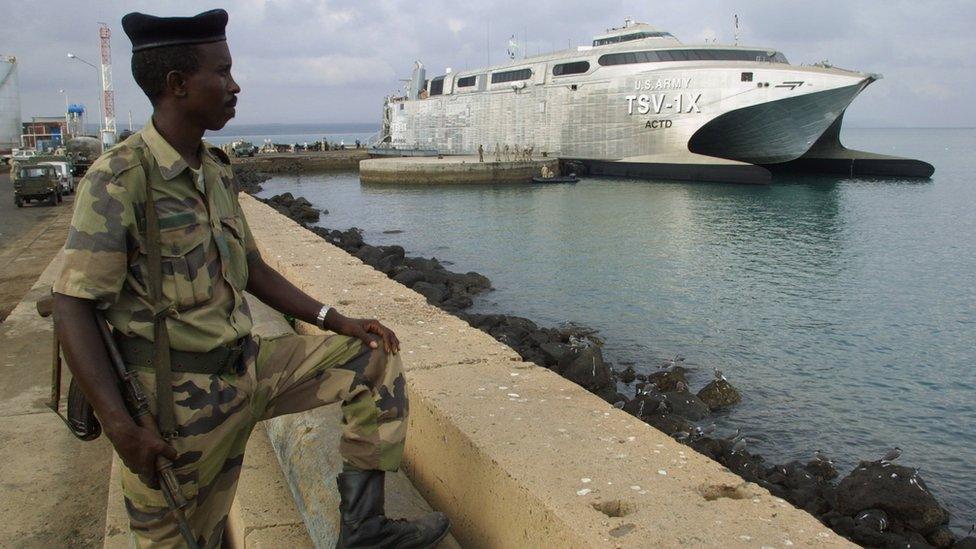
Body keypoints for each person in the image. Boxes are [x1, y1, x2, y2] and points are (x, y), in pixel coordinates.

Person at [51, 9, 450, 548]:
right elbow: (72, 305)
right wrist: (122, 428)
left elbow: (253, 270)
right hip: (176, 408)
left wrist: (338, 320)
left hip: (247, 369)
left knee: (373, 356)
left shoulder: (215, 169)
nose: (235, 85)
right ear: (177, 84)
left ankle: (364, 529)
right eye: (222, 72)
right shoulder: (120, 180)